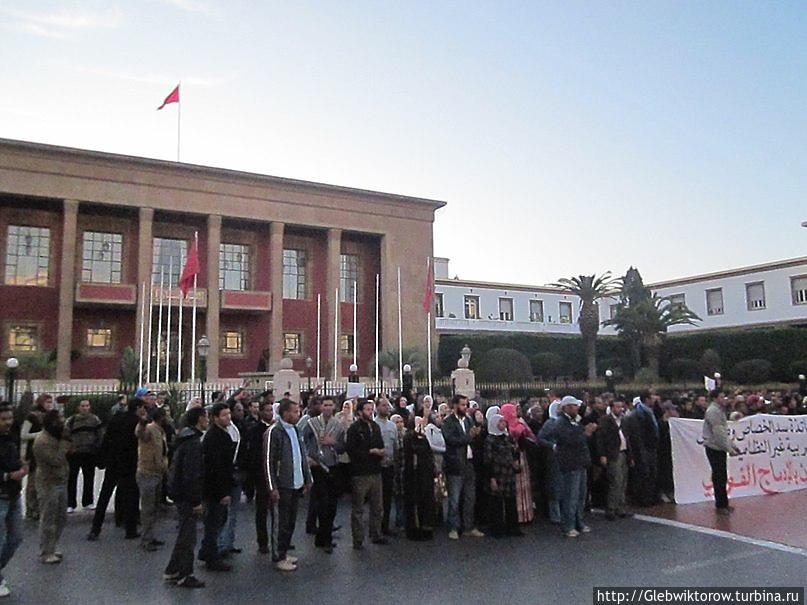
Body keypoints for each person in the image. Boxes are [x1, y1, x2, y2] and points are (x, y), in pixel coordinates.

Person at [164, 407, 208, 589]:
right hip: (187, 496)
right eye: (205, 417)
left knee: (184, 533)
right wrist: (196, 501)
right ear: (199, 419)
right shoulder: (193, 443)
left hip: (179, 493)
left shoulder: (185, 438)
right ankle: (185, 574)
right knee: (188, 536)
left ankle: (172, 569)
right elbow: (192, 474)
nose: (207, 421)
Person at [265, 399, 311, 571]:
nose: (297, 414)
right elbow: (268, 461)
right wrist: (272, 486)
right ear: (285, 413)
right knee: (280, 522)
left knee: (291, 520)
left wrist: (308, 479)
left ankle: (284, 551)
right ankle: (278, 555)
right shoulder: (274, 432)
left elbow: (302, 456)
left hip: (295, 483)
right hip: (282, 484)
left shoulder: (297, 430)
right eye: (294, 411)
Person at [88, 397, 142, 541]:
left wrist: (103, 458)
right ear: (138, 408)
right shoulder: (137, 422)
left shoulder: (116, 418)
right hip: (129, 463)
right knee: (131, 496)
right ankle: (130, 529)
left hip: (113, 462)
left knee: (105, 495)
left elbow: (106, 438)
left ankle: (95, 528)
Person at [549, 396, 597, 538]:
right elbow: (569, 440)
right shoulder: (560, 423)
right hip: (570, 464)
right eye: (573, 406)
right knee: (571, 496)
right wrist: (586, 433)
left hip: (580, 462)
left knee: (581, 496)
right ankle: (568, 525)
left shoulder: (576, 421)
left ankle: (578, 522)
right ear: (566, 407)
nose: (576, 408)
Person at [302, 396, 345, 554]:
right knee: (322, 503)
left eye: (330, 405)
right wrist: (307, 457)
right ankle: (323, 538)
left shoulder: (338, 425)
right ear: (321, 407)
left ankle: (325, 536)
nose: (327, 408)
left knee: (332, 504)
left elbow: (342, 447)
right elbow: (302, 440)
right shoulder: (311, 423)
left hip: (332, 466)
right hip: (317, 466)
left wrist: (332, 442)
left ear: (334, 407)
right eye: (325, 405)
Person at [345, 398, 386, 549]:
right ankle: (358, 539)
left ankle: (376, 533)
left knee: (377, 506)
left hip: (375, 471)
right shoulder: (355, 429)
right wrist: (370, 452)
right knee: (358, 508)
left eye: (371, 409)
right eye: (367, 409)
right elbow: (351, 450)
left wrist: (380, 452)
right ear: (360, 412)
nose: (370, 412)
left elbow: (381, 446)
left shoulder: (375, 427)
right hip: (360, 473)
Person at [442, 395, 485, 540]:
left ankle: (468, 526)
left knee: (470, 497)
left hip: (469, 462)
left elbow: (472, 438)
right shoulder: (448, 422)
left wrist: (476, 434)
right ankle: (453, 527)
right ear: (454, 405)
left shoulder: (468, 420)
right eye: (462, 405)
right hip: (455, 463)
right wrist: (469, 436)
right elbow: (451, 440)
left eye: (466, 405)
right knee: (454, 498)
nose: (465, 407)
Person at [199, 403, 234, 572]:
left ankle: (206, 551)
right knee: (214, 522)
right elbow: (216, 467)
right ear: (215, 418)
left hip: (216, 487)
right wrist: (223, 492)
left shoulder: (221, 435)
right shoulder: (215, 437)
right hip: (215, 490)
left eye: (229, 414)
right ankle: (211, 558)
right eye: (224, 415)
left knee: (217, 521)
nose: (228, 417)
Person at [32, 410, 69, 564]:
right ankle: (45, 552)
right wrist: (65, 444)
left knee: (61, 517)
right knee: (48, 518)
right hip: (48, 483)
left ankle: (52, 547)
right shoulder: (42, 441)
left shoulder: (56, 437)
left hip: (61, 480)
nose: (63, 422)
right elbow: (56, 460)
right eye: (59, 419)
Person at [0, 404, 27, 597]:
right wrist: (9, 476)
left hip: (14, 495)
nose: (8, 422)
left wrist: (22, 465)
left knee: (16, 537)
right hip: (1, 495)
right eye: (4, 419)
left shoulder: (11, 437)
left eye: (10, 418)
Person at [135, 406, 169, 552]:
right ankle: (146, 539)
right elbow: (139, 433)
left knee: (154, 508)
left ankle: (150, 535)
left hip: (158, 472)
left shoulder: (161, 431)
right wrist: (142, 423)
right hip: (147, 472)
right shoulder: (150, 429)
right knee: (148, 509)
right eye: (166, 415)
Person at [484, 413, 521, 538]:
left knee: (511, 501)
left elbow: (513, 451)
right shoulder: (490, 439)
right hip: (497, 473)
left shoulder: (506, 437)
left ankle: (513, 528)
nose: (503, 424)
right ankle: (497, 529)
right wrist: (491, 478)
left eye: (503, 421)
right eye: (500, 422)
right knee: (497, 503)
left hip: (508, 473)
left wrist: (515, 462)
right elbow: (488, 460)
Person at [703, 392, 739, 515]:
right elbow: (718, 433)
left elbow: (723, 432)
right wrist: (729, 449)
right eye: (721, 397)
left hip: (719, 447)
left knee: (722, 476)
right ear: (715, 398)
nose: (724, 399)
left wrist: (731, 445)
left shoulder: (719, 410)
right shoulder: (713, 411)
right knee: (719, 476)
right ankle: (720, 505)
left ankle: (724, 503)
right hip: (714, 447)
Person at [596, 397, 633, 520]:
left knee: (623, 482)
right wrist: (602, 454)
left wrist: (630, 455)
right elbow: (600, 439)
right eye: (617, 407)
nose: (620, 409)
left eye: (621, 407)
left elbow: (627, 438)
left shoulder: (624, 420)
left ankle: (620, 507)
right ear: (612, 408)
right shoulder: (605, 420)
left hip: (623, 452)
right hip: (613, 453)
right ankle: (611, 508)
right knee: (615, 481)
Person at [64, 399, 102, 513]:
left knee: (89, 478)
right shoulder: (71, 421)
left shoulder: (95, 420)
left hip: (89, 453)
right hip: (74, 453)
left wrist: (96, 448)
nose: (85, 408)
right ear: (78, 407)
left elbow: (100, 435)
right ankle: (70, 503)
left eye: (87, 406)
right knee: (72, 479)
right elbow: (66, 436)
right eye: (83, 406)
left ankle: (88, 502)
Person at [500, 403, 535, 524]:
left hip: (520, 456)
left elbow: (531, 437)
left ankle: (523, 514)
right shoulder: (507, 425)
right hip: (512, 458)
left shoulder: (519, 423)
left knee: (522, 487)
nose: (515, 414)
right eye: (513, 411)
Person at [21, 393, 54, 521]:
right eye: (47, 402)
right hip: (34, 453)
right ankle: (31, 509)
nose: (49, 405)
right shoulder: (32, 416)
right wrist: (40, 434)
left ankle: (42, 509)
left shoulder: (51, 416)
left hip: (48, 452)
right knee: (33, 484)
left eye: (51, 402)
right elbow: (24, 435)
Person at [246, 401, 274, 554]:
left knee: (277, 510)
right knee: (262, 509)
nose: (270, 413)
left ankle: (278, 538)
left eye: (271, 410)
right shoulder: (256, 430)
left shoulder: (276, 428)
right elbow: (255, 454)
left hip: (276, 474)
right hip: (262, 475)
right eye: (267, 410)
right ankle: (262, 541)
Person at [402, 416, 435, 541]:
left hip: (425, 474)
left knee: (426, 502)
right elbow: (412, 450)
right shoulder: (409, 438)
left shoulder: (424, 438)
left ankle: (426, 527)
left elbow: (428, 453)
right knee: (414, 503)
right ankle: (414, 529)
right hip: (413, 475)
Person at [218, 401, 244, 557]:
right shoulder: (216, 434)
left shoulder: (235, 429)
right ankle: (221, 545)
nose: (228, 417)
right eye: (225, 414)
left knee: (233, 512)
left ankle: (228, 542)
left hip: (235, 474)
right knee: (223, 513)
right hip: (225, 477)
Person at [374, 398, 399, 536]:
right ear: (377, 408)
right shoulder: (374, 424)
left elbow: (395, 446)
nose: (386, 408)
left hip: (389, 465)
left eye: (387, 405)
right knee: (377, 499)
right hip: (377, 466)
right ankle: (376, 526)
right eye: (383, 405)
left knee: (388, 498)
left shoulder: (392, 426)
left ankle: (385, 525)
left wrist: (396, 461)